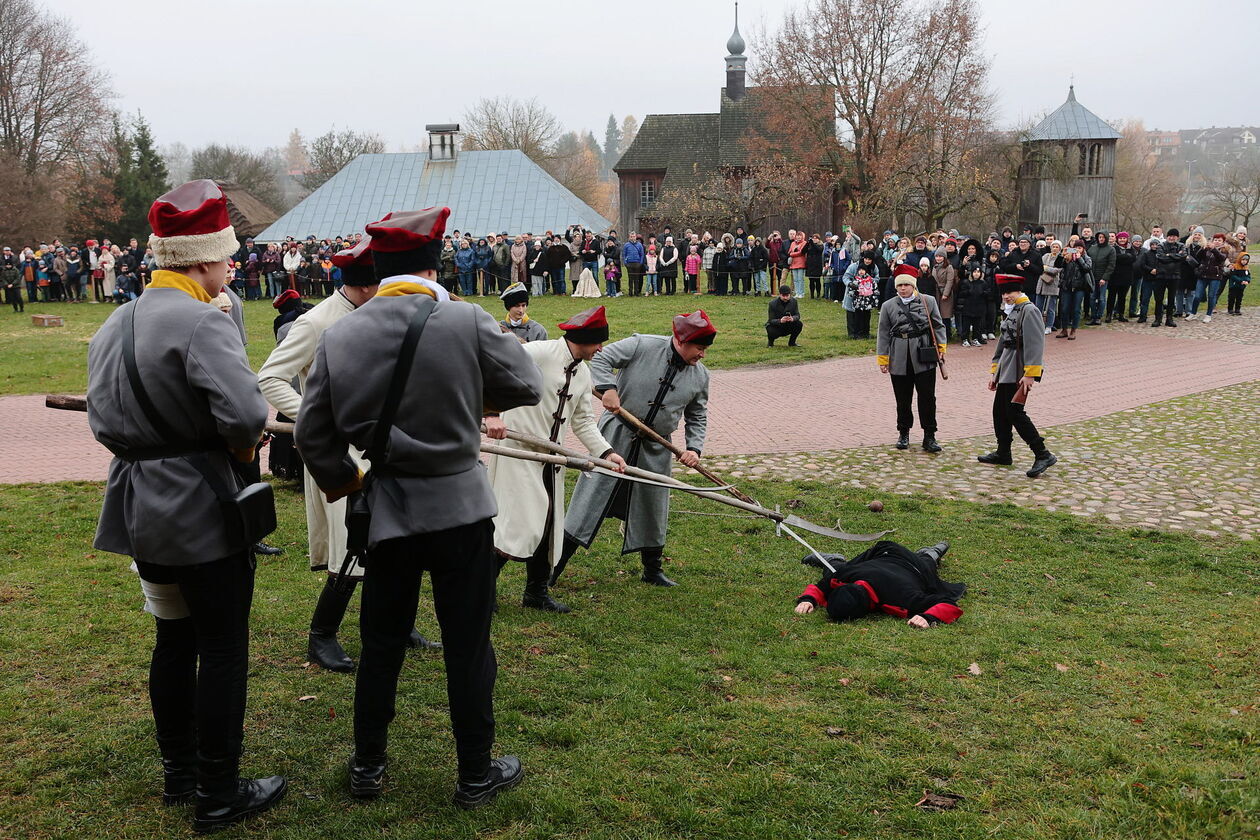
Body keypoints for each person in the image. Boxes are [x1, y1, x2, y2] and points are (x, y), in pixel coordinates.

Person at [295, 206, 541, 807]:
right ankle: (474, 775)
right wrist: (466, 394)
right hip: (461, 507)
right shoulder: (466, 318)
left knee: (380, 644)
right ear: (435, 264)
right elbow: (525, 385)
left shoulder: (341, 334)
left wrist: (348, 481)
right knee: (468, 645)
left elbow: (311, 434)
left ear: (380, 267)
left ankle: (368, 768)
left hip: (388, 510)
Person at [85, 181, 286, 832]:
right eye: (227, 257)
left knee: (172, 640)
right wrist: (238, 445)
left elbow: (103, 422)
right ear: (205, 260)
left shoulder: (115, 321)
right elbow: (247, 414)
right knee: (222, 647)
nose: (232, 268)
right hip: (202, 504)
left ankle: (180, 772)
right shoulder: (205, 320)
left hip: (139, 503)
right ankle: (219, 793)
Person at [259, 237, 440, 673]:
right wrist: (317, 417)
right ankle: (321, 636)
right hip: (341, 456)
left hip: (386, 450)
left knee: (396, 540)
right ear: (362, 286)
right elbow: (270, 378)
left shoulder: (380, 315)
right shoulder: (316, 322)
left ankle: (400, 623)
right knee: (350, 546)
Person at [555, 311, 714, 588]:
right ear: (681, 340)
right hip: (615, 436)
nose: (702, 355)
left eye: (705, 349)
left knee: (653, 507)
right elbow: (602, 358)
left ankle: (652, 570)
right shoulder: (642, 344)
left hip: (656, 447)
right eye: (699, 348)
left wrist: (694, 449)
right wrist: (608, 388)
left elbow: (697, 415)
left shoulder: (701, 376)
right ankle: (553, 567)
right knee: (588, 502)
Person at [485, 306, 626, 613]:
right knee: (517, 524)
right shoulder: (538, 353)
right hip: (520, 453)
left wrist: (607, 452)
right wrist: (492, 413)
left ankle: (536, 593)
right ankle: (483, 591)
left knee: (548, 525)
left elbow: (583, 421)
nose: (601, 348)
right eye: (598, 342)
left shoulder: (582, 372)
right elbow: (493, 370)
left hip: (553, 461)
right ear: (583, 339)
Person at [979, 273, 1056, 478]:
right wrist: (995, 371)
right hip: (1007, 366)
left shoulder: (1029, 310)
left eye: (1010, 292)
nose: (1006, 296)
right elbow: (1003, 342)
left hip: (1020, 368)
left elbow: (1035, 343)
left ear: (1019, 291)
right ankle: (1003, 452)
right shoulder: (1012, 310)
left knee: (1014, 411)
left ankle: (1042, 453)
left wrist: (1031, 374)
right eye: (1003, 293)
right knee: (999, 411)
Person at [793, 541, 963, 628]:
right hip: (879, 553)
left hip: (912, 565)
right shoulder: (846, 576)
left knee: (927, 563)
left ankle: (932, 552)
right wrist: (808, 599)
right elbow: (822, 587)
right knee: (834, 570)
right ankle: (833, 559)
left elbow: (948, 603)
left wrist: (928, 617)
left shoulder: (904, 596)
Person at [876, 264, 946, 453]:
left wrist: (941, 347)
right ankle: (903, 433)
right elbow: (883, 333)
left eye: (906, 285)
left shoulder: (928, 301)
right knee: (902, 399)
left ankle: (929, 436)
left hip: (924, 354)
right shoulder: (888, 306)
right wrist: (883, 358)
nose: (903, 288)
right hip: (899, 355)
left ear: (913, 285)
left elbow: (938, 325)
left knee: (927, 398)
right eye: (899, 285)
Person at [1053, 244, 1092, 340]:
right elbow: (1057, 265)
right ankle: (1064, 329)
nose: (1077, 250)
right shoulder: (1068, 257)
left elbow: (1087, 268)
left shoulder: (1086, 258)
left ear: (1083, 249)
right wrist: (1061, 255)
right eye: (1075, 248)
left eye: (1079, 248)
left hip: (1079, 287)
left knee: (1076, 309)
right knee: (1064, 309)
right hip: (1067, 287)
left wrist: (1079, 259)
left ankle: (1073, 330)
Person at [1187, 232, 1228, 323]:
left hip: (1215, 276)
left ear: (1223, 242)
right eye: (1215, 240)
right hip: (1203, 275)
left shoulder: (1224, 250)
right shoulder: (1207, 248)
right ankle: (1193, 313)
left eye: (1219, 240)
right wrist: (1203, 249)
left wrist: (1214, 249)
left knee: (1211, 296)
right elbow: (1198, 256)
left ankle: (1208, 315)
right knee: (1197, 296)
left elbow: (1222, 258)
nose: (1217, 242)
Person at [1106, 232, 1136, 322]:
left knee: (1122, 297)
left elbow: (1133, 258)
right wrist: (1126, 257)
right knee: (1111, 297)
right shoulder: (1113, 248)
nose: (1122, 240)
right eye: (1120, 238)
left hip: (1126, 277)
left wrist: (1122, 258)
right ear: (1117, 239)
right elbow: (1114, 258)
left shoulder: (1131, 248)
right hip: (1114, 276)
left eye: (1124, 238)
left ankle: (1121, 314)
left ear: (1127, 239)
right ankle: (1109, 314)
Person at [957, 264, 990, 346]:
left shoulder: (983, 283)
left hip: (979, 307)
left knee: (977, 325)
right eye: (974, 272)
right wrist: (968, 292)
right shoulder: (967, 282)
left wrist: (984, 293)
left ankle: (975, 338)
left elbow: (988, 292)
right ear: (971, 273)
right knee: (966, 325)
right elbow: (961, 293)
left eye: (978, 272)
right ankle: (965, 339)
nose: (976, 274)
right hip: (968, 307)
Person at [2, 246, 21, 312]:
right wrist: (4, 268)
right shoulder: (1, 258)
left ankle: (20, 306)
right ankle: (9, 301)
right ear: (3, 251)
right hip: (5, 276)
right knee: (8, 291)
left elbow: (18, 265)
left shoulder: (15, 257)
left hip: (14, 277)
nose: (7, 252)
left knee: (17, 294)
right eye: (6, 251)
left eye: (8, 250)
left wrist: (13, 268)